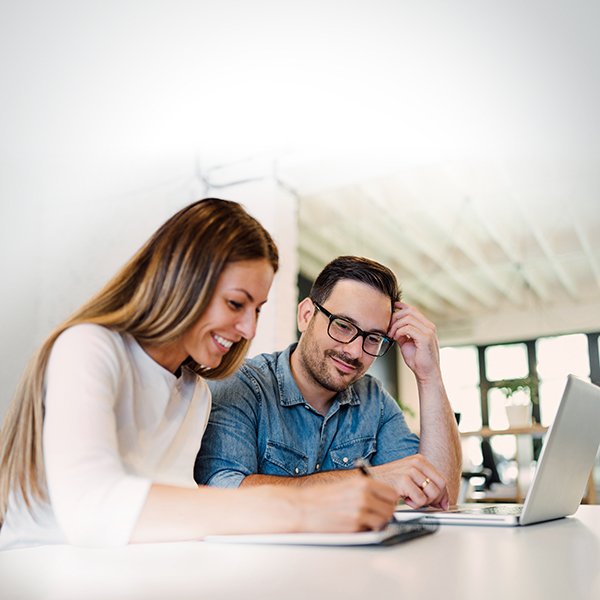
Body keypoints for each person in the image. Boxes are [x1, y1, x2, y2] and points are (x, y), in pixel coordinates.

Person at [0, 200, 398, 550]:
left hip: (129, 573)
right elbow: (93, 510)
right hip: (43, 569)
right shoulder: (88, 347)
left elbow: (181, 511)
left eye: (256, 309)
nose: (249, 329)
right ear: (182, 280)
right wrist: (301, 507)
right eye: (235, 303)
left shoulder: (194, 391)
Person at [195, 255, 462, 507]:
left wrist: (429, 376)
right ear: (306, 315)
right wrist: (368, 480)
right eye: (343, 325)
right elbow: (223, 493)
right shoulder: (243, 385)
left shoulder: (374, 400)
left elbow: (440, 496)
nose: (355, 351)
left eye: (373, 338)